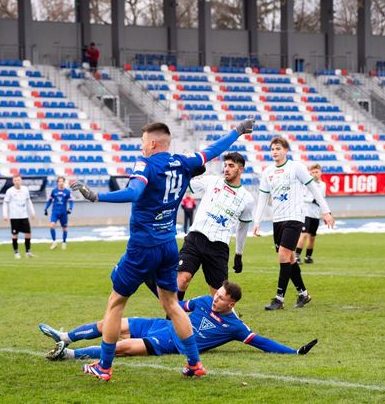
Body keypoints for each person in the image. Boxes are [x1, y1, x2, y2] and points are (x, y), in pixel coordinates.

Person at [70, 119, 255, 380]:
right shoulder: (183, 162)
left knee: (116, 303)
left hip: (142, 246)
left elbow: (134, 192)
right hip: (168, 244)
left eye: (143, 142)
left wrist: (97, 196)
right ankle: (194, 364)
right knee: (172, 304)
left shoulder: (145, 164)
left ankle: (104, 367)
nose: (142, 147)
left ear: (153, 143)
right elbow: (213, 150)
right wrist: (237, 131)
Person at [38, 281, 318, 364]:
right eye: (217, 294)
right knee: (110, 323)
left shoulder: (234, 326)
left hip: (169, 342)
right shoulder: (204, 301)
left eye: (221, 298)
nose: (216, 299)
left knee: (122, 347)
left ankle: (68, 355)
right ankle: (65, 337)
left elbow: (262, 343)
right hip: (157, 325)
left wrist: (293, 352)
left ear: (231, 304)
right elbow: (176, 305)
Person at [253, 137, 335, 311]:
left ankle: (279, 299)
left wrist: (326, 211)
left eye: (278, 148)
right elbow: (262, 198)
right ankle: (303, 294)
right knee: (289, 258)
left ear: (286, 150)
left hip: (294, 218)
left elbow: (313, 188)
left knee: (283, 255)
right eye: (272, 149)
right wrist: (257, 221)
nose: (274, 152)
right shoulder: (267, 171)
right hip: (277, 220)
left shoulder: (296, 167)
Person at [177, 152, 254, 300]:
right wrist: (190, 172)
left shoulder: (247, 199)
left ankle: (219, 316)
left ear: (241, 169)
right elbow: (185, 183)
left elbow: (243, 227)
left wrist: (239, 254)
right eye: (225, 165)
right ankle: (173, 315)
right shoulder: (212, 181)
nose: (226, 169)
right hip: (196, 238)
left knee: (219, 296)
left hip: (218, 247)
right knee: (182, 279)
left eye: (231, 166)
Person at [295, 163, 327, 264]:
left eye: (316, 172)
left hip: (315, 214)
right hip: (306, 213)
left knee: (312, 237)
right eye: (312, 172)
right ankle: (297, 256)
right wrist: (311, 200)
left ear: (320, 173)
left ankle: (308, 257)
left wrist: (324, 213)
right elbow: (301, 197)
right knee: (303, 234)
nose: (314, 174)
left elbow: (322, 200)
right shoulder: (307, 184)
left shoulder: (323, 185)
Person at [2, 175, 36, 259]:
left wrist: (32, 212)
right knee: (15, 234)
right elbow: (5, 203)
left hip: (24, 215)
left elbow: (28, 201)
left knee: (28, 233)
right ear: (13, 181)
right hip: (14, 216)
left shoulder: (25, 189)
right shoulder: (10, 191)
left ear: (21, 181)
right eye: (15, 180)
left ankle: (28, 252)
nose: (17, 182)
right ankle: (16, 252)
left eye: (18, 180)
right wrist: (5, 214)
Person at [44, 176, 73, 250]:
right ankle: (54, 242)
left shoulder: (67, 192)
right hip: (55, 212)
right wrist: (46, 208)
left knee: (64, 228)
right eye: (59, 181)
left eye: (62, 181)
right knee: (51, 225)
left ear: (64, 182)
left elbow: (71, 201)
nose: (61, 183)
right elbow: (50, 200)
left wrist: (70, 208)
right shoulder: (54, 191)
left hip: (63, 213)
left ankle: (64, 242)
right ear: (57, 183)